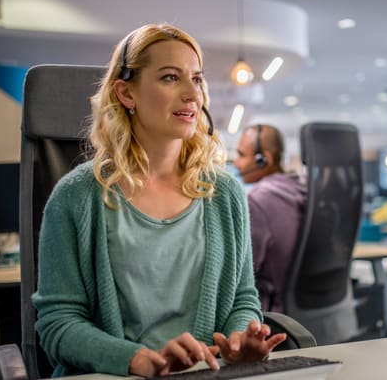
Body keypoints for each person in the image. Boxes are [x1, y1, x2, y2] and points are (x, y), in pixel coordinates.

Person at [32, 24, 285, 378]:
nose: (192, 94)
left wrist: (240, 338)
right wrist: (136, 359)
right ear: (126, 94)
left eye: (196, 79)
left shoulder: (225, 194)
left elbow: (242, 299)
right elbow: (58, 324)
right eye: (170, 78)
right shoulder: (76, 196)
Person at [233, 124, 306, 313]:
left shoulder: (257, 201)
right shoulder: (301, 190)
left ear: (264, 159)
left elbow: (243, 274)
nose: (236, 163)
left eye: (241, 155)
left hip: (275, 317)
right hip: (312, 310)